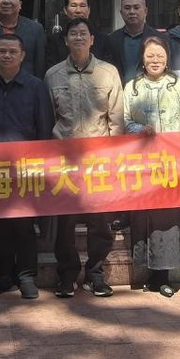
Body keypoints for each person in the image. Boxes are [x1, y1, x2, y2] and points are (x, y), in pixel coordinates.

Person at [45, 17, 125, 298]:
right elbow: (49, 117)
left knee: (99, 222)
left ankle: (95, 274)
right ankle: (67, 275)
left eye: (83, 34)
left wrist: (115, 158)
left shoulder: (108, 72)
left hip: (99, 160)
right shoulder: (53, 75)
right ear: (65, 40)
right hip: (65, 160)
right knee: (65, 223)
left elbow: (116, 120)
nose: (78, 38)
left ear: (92, 40)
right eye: (73, 34)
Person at [121, 35, 180, 298]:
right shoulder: (132, 87)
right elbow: (124, 121)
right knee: (145, 217)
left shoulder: (178, 85)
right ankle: (147, 272)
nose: (155, 60)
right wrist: (138, 129)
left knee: (168, 219)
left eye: (159, 56)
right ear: (142, 59)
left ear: (167, 58)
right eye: (150, 56)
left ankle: (163, 276)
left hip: (172, 163)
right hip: (143, 163)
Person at [0, 33, 54, 300]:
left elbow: (44, 127)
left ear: (22, 56)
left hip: (26, 167)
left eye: (12, 51)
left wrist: (41, 164)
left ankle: (26, 276)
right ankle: (3, 276)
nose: (7, 55)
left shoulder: (36, 86)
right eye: (2, 51)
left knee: (24, 224)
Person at [44, 0, 115, 70]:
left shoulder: (103, 40)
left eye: (82, 6)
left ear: (89, 10)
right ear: (65, 10)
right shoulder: (54, 41)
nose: (78, 10)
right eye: (73, 6)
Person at [104, 0, 160, 84]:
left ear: (145, 11)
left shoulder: (159, 39)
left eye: (136, 8)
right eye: (127, 8)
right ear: (121, 13)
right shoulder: (111, 40)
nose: (132, 12)